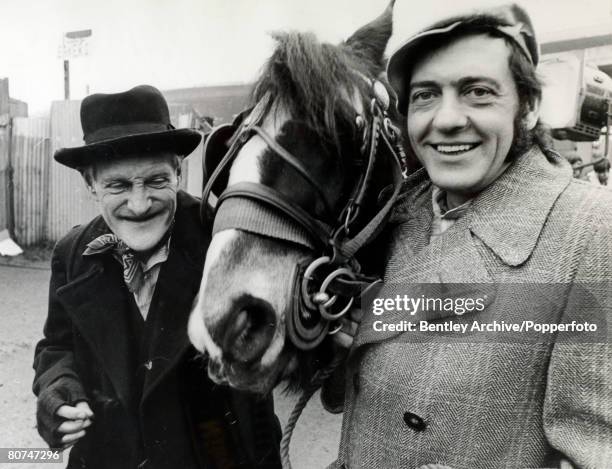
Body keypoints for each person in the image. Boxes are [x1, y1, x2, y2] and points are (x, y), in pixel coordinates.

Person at [327, 4, 612, 468]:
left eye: (477, 92)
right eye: (424, 95)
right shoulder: (395, 215)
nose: (446, 119)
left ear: (529, 106)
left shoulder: (592, 232)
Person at [33, 85, 282, 469]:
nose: (139, 203)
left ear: (178, 172)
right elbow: (56, 346)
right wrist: (58, 390)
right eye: (117, 185)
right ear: (89, 184)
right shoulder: (71, 254)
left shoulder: (224, 239)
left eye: (155, 181)